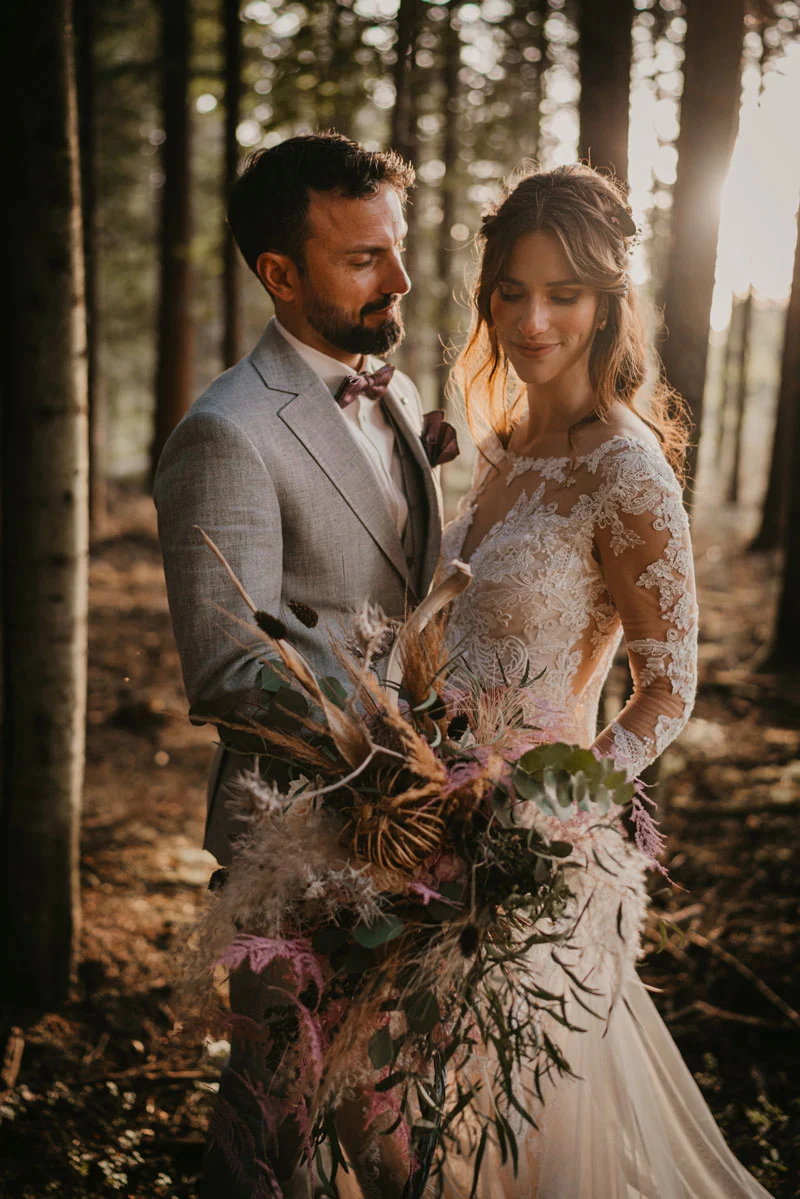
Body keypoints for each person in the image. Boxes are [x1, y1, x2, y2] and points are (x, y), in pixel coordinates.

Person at [436, 163, 772, 1197]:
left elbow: (667, 688)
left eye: (563, 293)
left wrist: (554, 804)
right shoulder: (503, 446)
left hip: (530, 853)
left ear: (605, 304)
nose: (532, 318)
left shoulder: (624, 468)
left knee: (523, 1129)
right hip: (429, 831)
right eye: (510, 291)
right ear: (486, 295)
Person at [154, 133, 442, 1198]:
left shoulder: (399, 396)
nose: (399, 279)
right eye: (364, 257)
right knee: (277, 1128)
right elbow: (233, 666)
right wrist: (397, 764)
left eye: (397, 249)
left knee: (396, 1111)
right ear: (279, 272)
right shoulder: (225, 433)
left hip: (419, 842)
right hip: (295, 838)